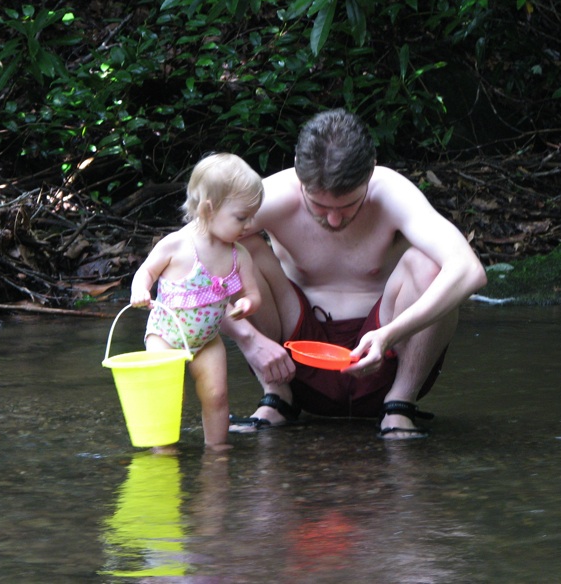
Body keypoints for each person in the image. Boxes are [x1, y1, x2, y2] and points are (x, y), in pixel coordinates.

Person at [223, 109, 487, 440]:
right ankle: (277, 398)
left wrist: (389, 334)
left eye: (348, 206)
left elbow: (469, 270)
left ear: (369, 171)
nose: (334, 221)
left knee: (428, 264)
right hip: (293, 356)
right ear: (300, 176)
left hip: (385, 354)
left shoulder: (391, 192)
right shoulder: (273, 195)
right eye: (319, 207)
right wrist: (249, 342)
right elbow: (189, 259)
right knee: (233, 248)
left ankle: (399, 405)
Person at [130, 153, 263, 451]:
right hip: (165, 335)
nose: (249, 224)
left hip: (207, 339)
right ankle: (162, 449)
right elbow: (145, 272)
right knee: (168, 396)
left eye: (251, 216)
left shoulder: (238, 255)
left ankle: (216, 449)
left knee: (216, 395)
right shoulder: (176, 244)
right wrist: (140, 291)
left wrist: (247, 305)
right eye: (241, 217)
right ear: (208, 209)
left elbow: (253, 294)